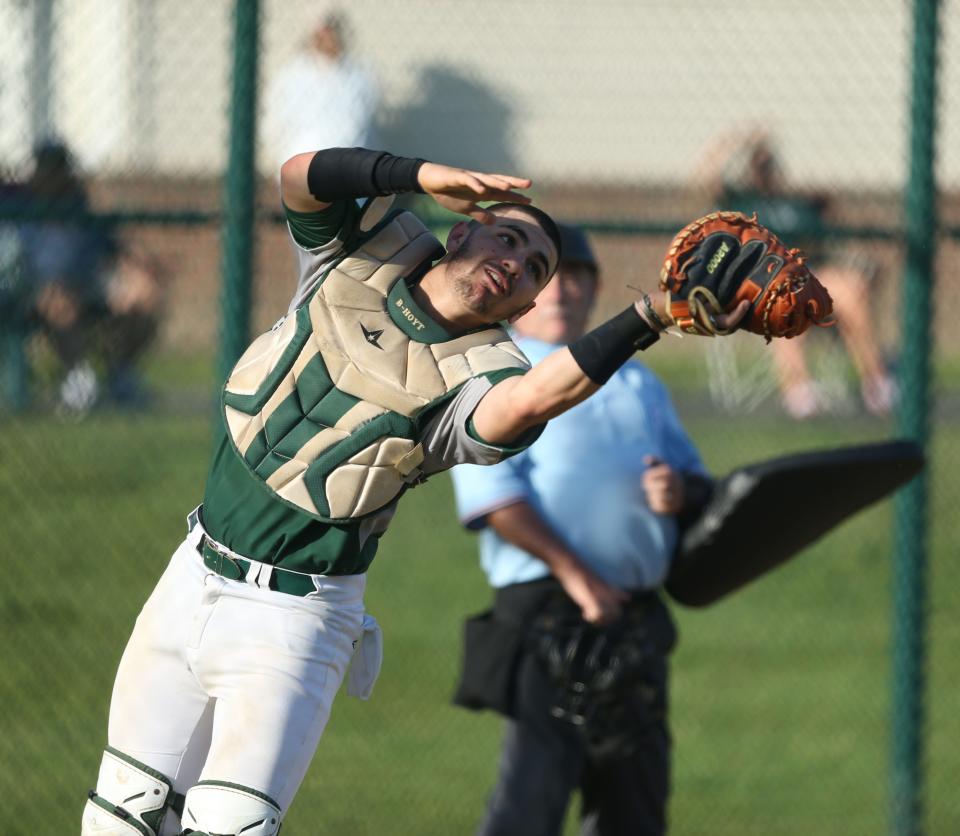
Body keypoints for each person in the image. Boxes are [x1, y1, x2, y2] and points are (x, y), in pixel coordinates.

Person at [81, 145, 747, 836]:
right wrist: (420, 176)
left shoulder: (485, 373)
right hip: (190, 573)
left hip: (292, 619)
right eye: (508, 237)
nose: (515, 262)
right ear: (463, 229)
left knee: (226, 826)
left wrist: (652, 314)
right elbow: (298, 178)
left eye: (533, 270)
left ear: (526, 304)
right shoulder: (363, 250)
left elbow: (528, 404)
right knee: (119, 818)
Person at [449, 225, 713, 836]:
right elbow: (496, 501)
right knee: (532, 802)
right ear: (524, 290)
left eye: (578, 275)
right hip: (551, 611)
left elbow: (700, 483)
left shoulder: (639, 380)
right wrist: (579, 578)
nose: (564, 289)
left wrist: (679, 491)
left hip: (633, 615)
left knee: (635, 803)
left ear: (595, 288)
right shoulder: (498, 371)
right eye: (551, 275)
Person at [698, 129, 896, 418]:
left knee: (851, 290)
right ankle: (799, 391)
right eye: (758, 164)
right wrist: (739, 139)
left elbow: (833, 240)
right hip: (763, 284)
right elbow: (705, 178)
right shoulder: (741, 201)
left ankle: (876, 383)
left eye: (770, 164)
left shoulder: (798, 203)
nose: (765, 170)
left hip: (813, 275)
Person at [14, 141, 163, 413]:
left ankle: (121, 373)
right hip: (41, 289)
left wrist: (137, 265)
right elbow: (19, 261)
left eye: (60, 170)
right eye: (48, 171)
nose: (55, 178)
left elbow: (111, 245)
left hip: (90, 283)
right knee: (59, 298)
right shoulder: (25, 210)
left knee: (144, 293)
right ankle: (79, 377)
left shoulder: (79, 206)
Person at [263, 11, 379, 176]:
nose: (328, 38)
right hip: (302, 166)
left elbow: (365, 125)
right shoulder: (292, 75)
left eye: (332, 31)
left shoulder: (359, 75)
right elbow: (275, 125)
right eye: (323, 33)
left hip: (351, 168)